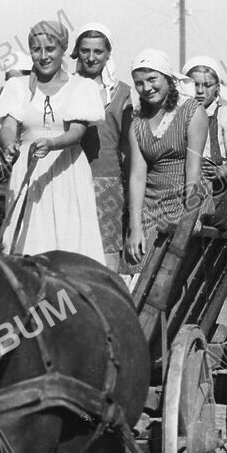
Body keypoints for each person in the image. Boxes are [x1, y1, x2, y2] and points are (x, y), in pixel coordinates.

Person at [0, 20, 106, 263]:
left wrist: (53, 143)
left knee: (68, 238)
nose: (43, 56)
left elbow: (77, 132)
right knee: (29, 237)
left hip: (66, 170)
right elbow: (8, 127)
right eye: (36, 49)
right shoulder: (18, 86)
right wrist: (9, 143)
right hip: (28, 169)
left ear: (63, 49)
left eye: (50, 49)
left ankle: (69, 297)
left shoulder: (81, 87)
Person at [123, 49, 208, 273]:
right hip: (152, 202)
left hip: (185, 197)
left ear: (168, 79)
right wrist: (135, 228)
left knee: (170, 274)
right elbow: (138, 177)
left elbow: (193, 168)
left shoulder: (192, 112)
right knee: (136, 267)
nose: (147, 88)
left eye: (152, 79)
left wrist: (191, 216)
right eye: (139, 83)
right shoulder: (137, 124)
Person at [72, 22, 132, 272]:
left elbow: (128, 147)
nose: (91, 57)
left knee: (106, 256)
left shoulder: (121, 93)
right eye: (85, 50)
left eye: (98, 51)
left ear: (108, 54)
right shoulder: (67, 87)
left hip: (106, 181)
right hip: (71, 178)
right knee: (72, 254)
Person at [182, 56, 227, 221]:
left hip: (215, 193)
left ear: (217, 88)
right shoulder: (180, 116)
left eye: (207, 85)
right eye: (195, 84)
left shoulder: (225, 115)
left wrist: (219, 171)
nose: (200, 91)